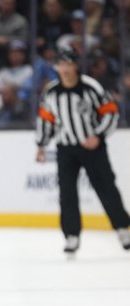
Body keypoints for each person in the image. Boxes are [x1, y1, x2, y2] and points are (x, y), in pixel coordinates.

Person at [35, 49, 130, 253]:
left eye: (69, 64)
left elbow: (111, 112)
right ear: (57, 67)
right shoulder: (51, 91)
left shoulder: (91, 87)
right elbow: (46, 119)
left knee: (106, 187)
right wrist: (41, 145)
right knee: (67, 192)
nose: (66, 69)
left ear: (76, 66)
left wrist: (98, 135)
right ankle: (71, 235)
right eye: (62, 65)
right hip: (65, 148)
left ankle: (122, 228)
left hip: (93, 148)